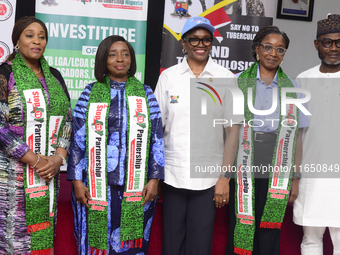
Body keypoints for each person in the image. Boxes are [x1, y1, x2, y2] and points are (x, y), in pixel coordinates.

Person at [67, 35, 164, 255]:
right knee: (95, 243)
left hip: (137, 186)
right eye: (112, 54)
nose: (120, 59)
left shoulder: (146, 93)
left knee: (131, 245)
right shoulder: (90, 93)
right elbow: (77, 140)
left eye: (125, 53)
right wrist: (76, 181)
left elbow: (157, 137)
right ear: (103, 59)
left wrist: (154, 177)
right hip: (95, 186)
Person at [154, 16, 243, 255]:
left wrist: (224, 177)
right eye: (193, 39)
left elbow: (233, 131)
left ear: (212, 42)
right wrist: (156, 174)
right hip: (172, 175)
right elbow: (157, 131)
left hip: (209, 179)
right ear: (183, 43)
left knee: (200, 246)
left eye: (206, 39)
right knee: (171, 245)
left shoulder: (226, 77)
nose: (200, 44)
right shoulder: (168, 77)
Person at [225, 26, 309, 255]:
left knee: (269, 225)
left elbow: (298, 136)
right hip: (244, 154)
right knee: (241, 218)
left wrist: (295, 177)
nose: (273, 53)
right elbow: (229, 131)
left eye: (280, 49)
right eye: (268, 47)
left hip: (278, 157)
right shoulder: (238, 82)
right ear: (257, 49)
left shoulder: (293, 87)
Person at [0, 16, 72, 254]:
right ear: (17, 41)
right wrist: (37, 160)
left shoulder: (55, 76)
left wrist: (58, 159)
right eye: (29, 35)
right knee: (14, 242)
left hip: (48, 176)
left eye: (42, 36)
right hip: (11, 181)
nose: (36, 41)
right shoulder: (4, 74)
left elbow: (67, 121)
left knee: (42, 240)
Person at [293, 14, 340, 255]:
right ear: (316, 45)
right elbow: (296, 134)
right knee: (311, 240)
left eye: (339, 42)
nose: (333, 48)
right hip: (311, 176)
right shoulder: (303, 80)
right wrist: (295, 175)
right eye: (327, 42)